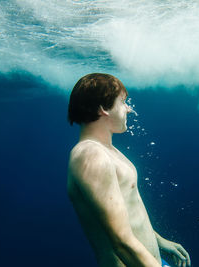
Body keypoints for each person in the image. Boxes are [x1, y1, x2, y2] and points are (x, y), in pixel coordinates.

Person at [67, 73, 191, 267]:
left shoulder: (107, 151)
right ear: (103, 109)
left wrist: (158, 240)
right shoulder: (91, 156)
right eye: (122, 102)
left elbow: (125, 213)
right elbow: (121, 242)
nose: (129, 108)